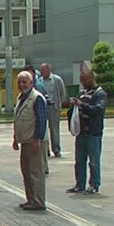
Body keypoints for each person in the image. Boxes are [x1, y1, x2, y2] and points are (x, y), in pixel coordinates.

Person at [66, 70, 107, 195]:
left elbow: (98, 110)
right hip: (81, 132)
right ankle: (80, 184)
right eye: (81, 80)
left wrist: (82, 105)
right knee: (79, 160)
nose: (83, 83)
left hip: (93, 133)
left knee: (94, 161)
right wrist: (73, 105)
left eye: (85, 80)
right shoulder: (81, 93)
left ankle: (94, 185)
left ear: (92, 78)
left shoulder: (100, 94)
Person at [12, 71, 47, 211]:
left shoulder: (37, 98)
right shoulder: (21, 97)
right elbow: (18, 119)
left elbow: (41, 120)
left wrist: (37, 139)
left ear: (31, 83)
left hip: (34, 141)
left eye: (24, 82)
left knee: (35, 172)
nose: (21, 85)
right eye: (19, 82)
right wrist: (15, 138)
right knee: (26, 171)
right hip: (24, 141)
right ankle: (30, 199)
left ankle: (38, 201)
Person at [23, 66, 51, 174]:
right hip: (30, 132)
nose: (22, 85)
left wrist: (38, 136)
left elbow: (41, 116)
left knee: (41, 153)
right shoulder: (25, 93)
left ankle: (43, 170)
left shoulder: (37, 89)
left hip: (37, 131)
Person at [40, 63, 68, 158]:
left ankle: (56, 149)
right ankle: (45, 150)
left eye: (43, 70)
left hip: (54, 108)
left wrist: (59, 103)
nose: (41, 72)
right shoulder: (40, 81)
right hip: (43, 108)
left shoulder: (57, 80)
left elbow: (62, 93)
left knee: (54, 129)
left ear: (48, 69)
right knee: (43, 130)